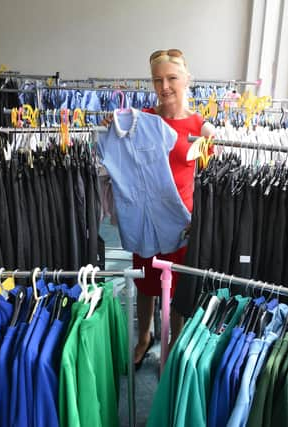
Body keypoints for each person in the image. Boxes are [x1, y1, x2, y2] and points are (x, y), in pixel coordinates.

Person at [105, 49, 216, 367]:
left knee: (178, 286)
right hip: (146, 217)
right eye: (158, 79)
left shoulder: (199, 128)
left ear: (187, 79)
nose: (164, 86)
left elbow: (208, 177)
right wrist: (109, 123)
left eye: (172, 78)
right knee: (146, 283)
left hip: (183, 219)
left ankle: (175, 344)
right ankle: (145, 337)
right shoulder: (143, 119)